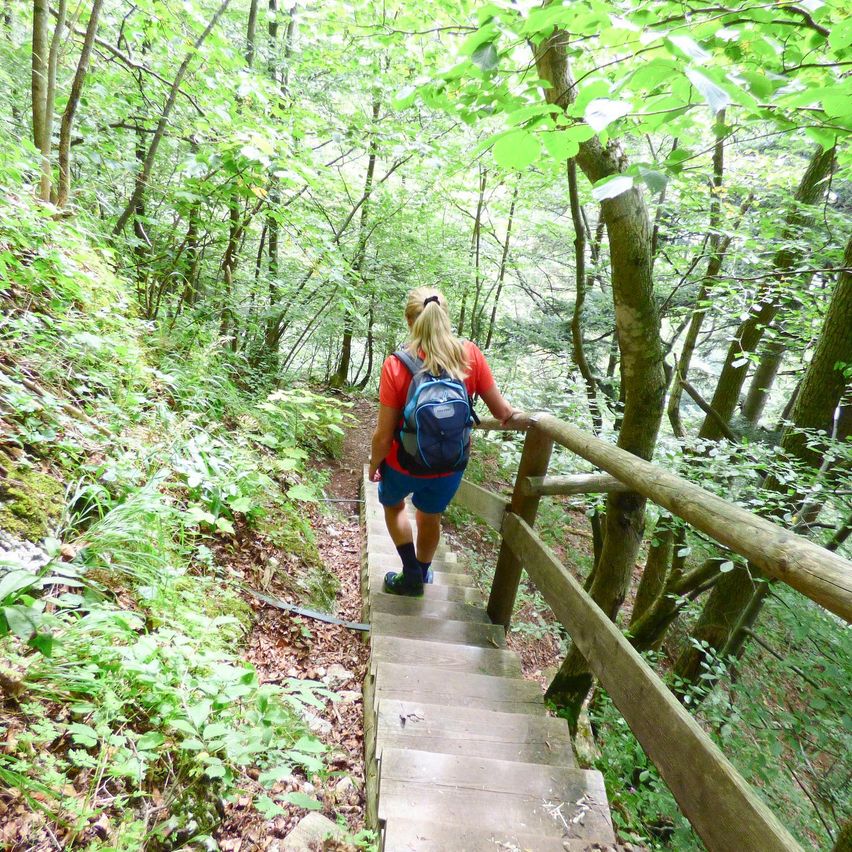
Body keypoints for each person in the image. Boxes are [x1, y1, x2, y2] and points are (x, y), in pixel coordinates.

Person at [368, 286, 516, 596]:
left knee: (394, 505)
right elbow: (501, 411)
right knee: (430, 515)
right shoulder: (469, 355)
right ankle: (422, 573)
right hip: (450, 465)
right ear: (445, 318)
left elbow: (383, 434)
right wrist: (523, 417)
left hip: (403, 463)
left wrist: (375, 465)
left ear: (411, 322)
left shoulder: (397, 364)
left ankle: (409, 574)